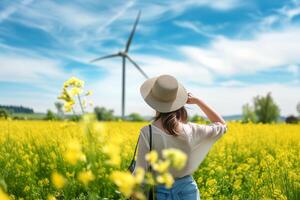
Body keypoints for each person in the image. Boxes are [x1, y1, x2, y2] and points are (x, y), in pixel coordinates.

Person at [133, 74, 228, 200]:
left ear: (154, 103)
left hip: (160, 193)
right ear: (178, 102)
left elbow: (141, 171)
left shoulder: (147, 132)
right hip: (188, 192)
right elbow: (222, 125)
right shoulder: (191, 130)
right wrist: (198, 101)